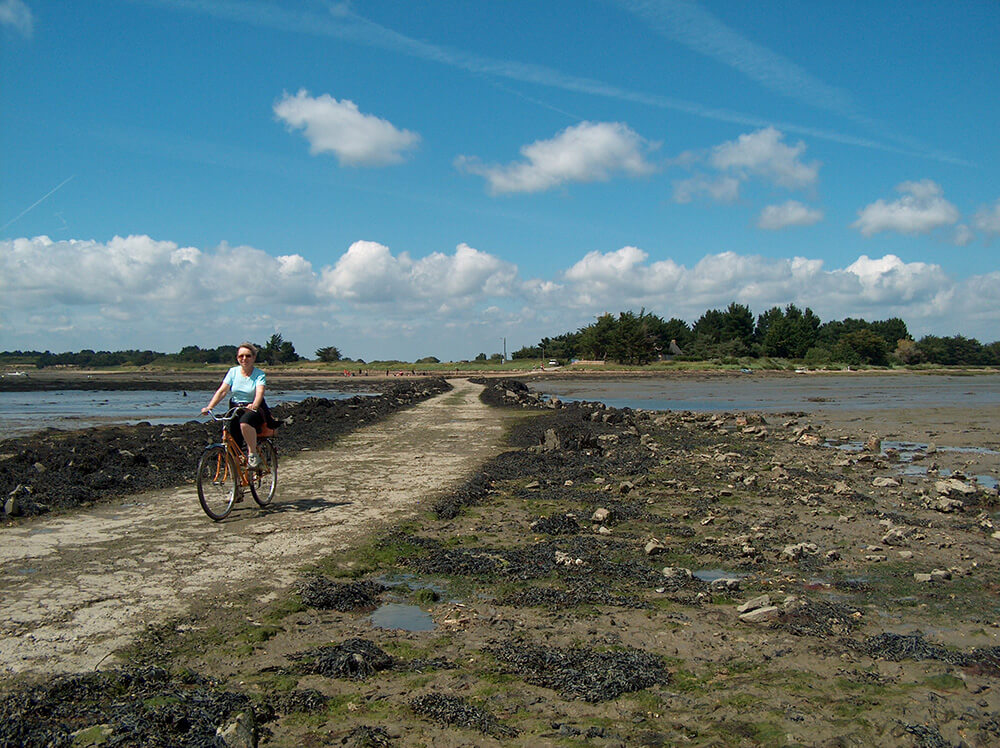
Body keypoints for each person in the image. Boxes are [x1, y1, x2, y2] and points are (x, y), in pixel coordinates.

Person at [202, 342, 269, 468]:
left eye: (248, 356)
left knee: (245, 422)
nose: (244, 359)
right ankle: (237, 472)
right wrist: (210, 407)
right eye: (241, 356)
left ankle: (253, 454)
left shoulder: (259, 374)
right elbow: (222, 391)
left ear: (254, 357)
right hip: (235, 407)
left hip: (253, 409)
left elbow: (260, 392)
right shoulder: (233, 372)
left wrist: (254, 405)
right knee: (230, 434)